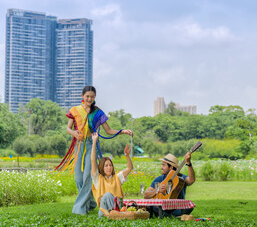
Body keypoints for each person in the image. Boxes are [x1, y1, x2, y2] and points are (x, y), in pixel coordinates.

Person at [55, 85, 133, 215]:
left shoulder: (98, 112)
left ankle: (79, 209)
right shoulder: (74, 110)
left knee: (87, 176)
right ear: (82, 96)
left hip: (92, 145)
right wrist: (73, 133)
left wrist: (123, 131)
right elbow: (68, 128)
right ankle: (90, 202)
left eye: (92, 97)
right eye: (87, 96)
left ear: (94, 97)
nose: (89, 99)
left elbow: (108, 130)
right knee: (78, 179)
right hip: (79, 145)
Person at [90, 132, 133, 217]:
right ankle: (116, 215)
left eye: (110, 165)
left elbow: (130, 168)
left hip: (117, 208)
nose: (109, 167)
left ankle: (116, 214)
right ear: (102, 167)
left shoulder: (117, 177)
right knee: (107, 195)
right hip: (104, 212)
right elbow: (92, 160)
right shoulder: (98, 178)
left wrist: (127, 156)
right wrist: (94, 142)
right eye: (106, 166)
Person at [144, 153, 195, 217]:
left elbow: (191, 180)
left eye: (163, 165)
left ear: (171, 167)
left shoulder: (181, 178)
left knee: (189, 206)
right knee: (150, 205)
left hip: (177, 208)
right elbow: (146, 195)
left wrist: (189, 163)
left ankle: (165, 215)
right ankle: (170, 215)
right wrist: (157, 190)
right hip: (162, 208)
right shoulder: (159, 179)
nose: (161, 167)